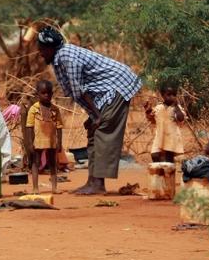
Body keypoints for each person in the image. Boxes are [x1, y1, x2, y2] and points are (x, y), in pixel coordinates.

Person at [37, 27, 141, 195]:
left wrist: (98, 116)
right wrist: (93, 116)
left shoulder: (66, 57)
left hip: (116, 86)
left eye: (41, 49)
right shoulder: (59, 58)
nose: (40, 53)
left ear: (50, 48)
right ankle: (92, 181)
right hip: (104, 93)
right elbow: (78, 91)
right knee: (93, 132)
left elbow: (78, 90)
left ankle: (98, 184)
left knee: (103, 130)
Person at [25, 80, 63, 194]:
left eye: (49, 93)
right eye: (43, 93)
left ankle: (54, 187)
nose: (46, 95)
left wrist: (59, 142)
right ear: (37, 95)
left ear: (52, 94)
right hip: (38, 140)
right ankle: (35, 188)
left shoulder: (55, 109)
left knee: (53, 163)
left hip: (51, 140)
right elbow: (29, 127)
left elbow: (59, 126)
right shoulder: (34, 109)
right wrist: (30, 143)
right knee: (35, 163)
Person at [145, 82, 186, 163]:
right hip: (160, 137)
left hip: (172, 138)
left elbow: (181, 118)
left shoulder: (176, 108)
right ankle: (161, 173)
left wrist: (176, 106)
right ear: (162, 95)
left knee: (168, 159)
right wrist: (148, 111)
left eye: (174, 95)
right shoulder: (158, 108)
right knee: (155, 155)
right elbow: (152, 119)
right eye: (169, 94)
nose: (172, 97)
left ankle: (168, 174)